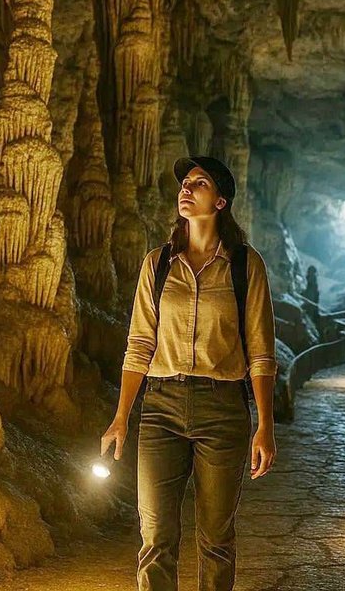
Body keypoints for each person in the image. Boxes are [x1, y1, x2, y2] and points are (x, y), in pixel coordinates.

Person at [100, 155, 278, 591]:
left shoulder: (244, 265)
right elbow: (139, 345)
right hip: (161, 408)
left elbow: (260, 352)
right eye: (184, 182)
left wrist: (265, 426)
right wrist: (121, 416)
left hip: (223, 410)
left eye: (198, 183)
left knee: (216, 539)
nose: (186, 188)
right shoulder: (157, 264)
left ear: (220, 201)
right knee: (156, 536)